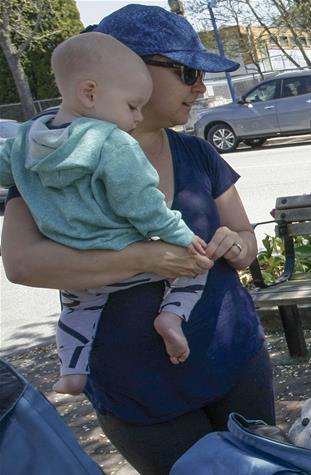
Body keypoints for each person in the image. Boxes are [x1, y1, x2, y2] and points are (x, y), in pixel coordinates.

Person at [0, 4, 274, 475]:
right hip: (138, 390)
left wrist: (239, 247)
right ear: (128, 66)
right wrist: (144, 257)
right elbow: (21, 263)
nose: (200, 88)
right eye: (188, 72)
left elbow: (244, 236)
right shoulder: (49, 160)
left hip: (235, 360)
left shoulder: (197, 153)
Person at [0, 32, 208, 396]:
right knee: (194, 272)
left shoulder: (25, 142)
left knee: (76, 311)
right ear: (90, 93)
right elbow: (143, 203)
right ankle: (171, 317)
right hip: (128, 251)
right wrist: (181, 236)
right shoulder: (112, 143)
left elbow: (6, 170)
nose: (137, 116)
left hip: (76, 264)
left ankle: (72, 370)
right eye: (131, 106)